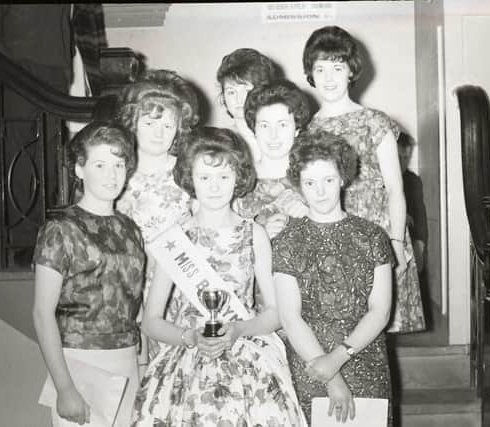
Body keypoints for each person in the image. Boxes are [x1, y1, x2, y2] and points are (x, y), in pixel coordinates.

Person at [131, 126, 306, 426]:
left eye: (224, 177)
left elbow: (277, 314)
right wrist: (190, 337)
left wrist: (239, 330)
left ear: (238, 178)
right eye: (205, 177)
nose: (214, 187)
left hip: (248, 355)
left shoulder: (255, 234)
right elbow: (151, 321)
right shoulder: (176, 239)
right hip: (186, 361)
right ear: (190, 179)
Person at [304, 25, 425, 333]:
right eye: (320, 69)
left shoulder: (375, 122)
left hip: (375, 235)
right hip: (329, 238)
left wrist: (396, 243)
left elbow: (396, 190)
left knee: (373, 333)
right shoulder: (307, 131)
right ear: (311, 74)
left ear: (350, 72)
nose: (329, 78)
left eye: (337, 67)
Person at [272, 131, 394, 426]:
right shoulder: (288, 241)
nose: (320, 191)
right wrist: (331, 378)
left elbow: (380, 311)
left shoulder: (372, 236)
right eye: (310, 183)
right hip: (310, 362)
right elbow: (290, 318)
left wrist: (339, 358)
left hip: (365, 358)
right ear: (299, 186)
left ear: (342, 178)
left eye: (328, 180)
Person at [32, 121, 145, 427]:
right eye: (100, 164)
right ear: (79, 169)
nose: (112, 175)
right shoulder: (60, 229)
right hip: (78, 362)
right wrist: (64, 388)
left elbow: (134, 303)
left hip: (127, 359)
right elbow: (42, 314)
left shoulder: (130, 229)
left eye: (119, 164)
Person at [0, 5, 75, 265]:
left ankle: (47, 235)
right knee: (16, 152)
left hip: (54, 70)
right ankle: (21, 239)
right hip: (15, 66)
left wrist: (66, 68)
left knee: (51, 150)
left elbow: (63, 21)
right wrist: (3, 67)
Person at [115, 69, 200, 362]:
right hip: (132, 293)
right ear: (133, 122)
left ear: (180, 127)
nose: (158, 132)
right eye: (150, 122)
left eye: (168, 124)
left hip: (185, 291)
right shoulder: (118, 174)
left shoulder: (191, 171)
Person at [233, 79, 310, 239]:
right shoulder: (239, 180)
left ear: (297, 129)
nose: (273, 135)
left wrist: (313, 218)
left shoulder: (316, 177)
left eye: (282, 125)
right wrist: (261, 237)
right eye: (264, 125)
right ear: (254, 129)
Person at [216, 48, 280, 163]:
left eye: (246, 91)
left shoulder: (278, 138)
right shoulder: (221, 143)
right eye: (231, 92)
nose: (239, 99)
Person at [398, 131, 428, 274]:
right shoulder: (379, 180)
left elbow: (420, 214)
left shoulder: (413, 180)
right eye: (400, 157)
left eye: (407, 157)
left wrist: (420, 244)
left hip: (411, 241)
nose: (404, 162)